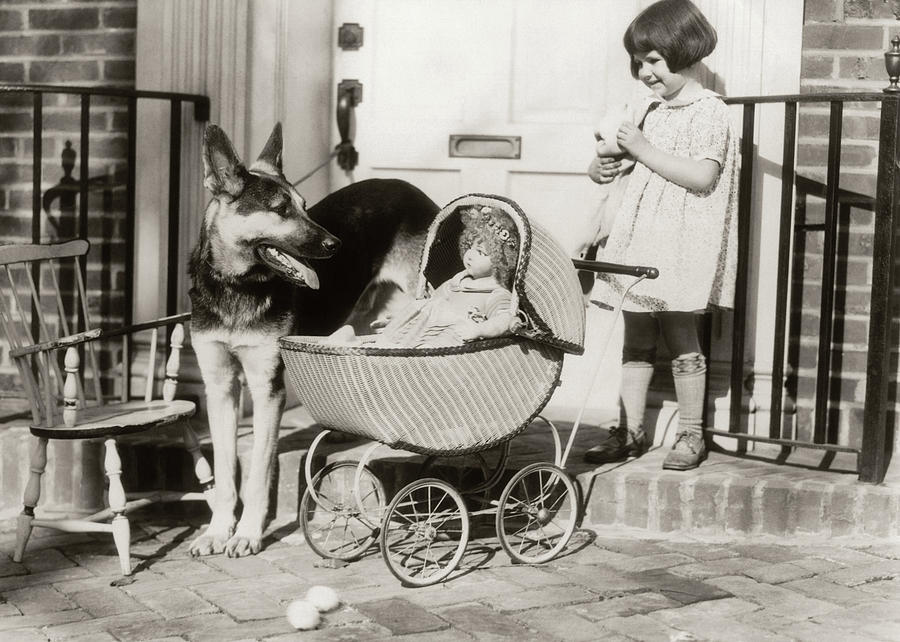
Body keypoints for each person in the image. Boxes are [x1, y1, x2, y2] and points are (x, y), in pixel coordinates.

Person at [583, 0, 738, 471]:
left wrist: (644, 149)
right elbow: (625, 164)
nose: (645, 72)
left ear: (684, 49)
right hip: (639, 234)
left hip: (679, 239)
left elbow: (702, 177)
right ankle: (629, 429)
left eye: (653, 60)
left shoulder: (709, 111)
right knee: (635, 333)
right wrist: (601, 167)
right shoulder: (649, 109)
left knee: (679, 331)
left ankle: (691, 433)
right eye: (639, 62)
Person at [328, 205, 519, 348]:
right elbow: (427, 308)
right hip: (424, 334)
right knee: (423, 306)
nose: (470, 254)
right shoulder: (456, 283)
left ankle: (373, 348)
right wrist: (401, 318)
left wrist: (479, 330)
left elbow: (505, 320)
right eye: (469, 246)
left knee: (430, 323)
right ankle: (359, 343)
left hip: (447, 346)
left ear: (500, 262)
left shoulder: (495, 293)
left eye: (481, 252)